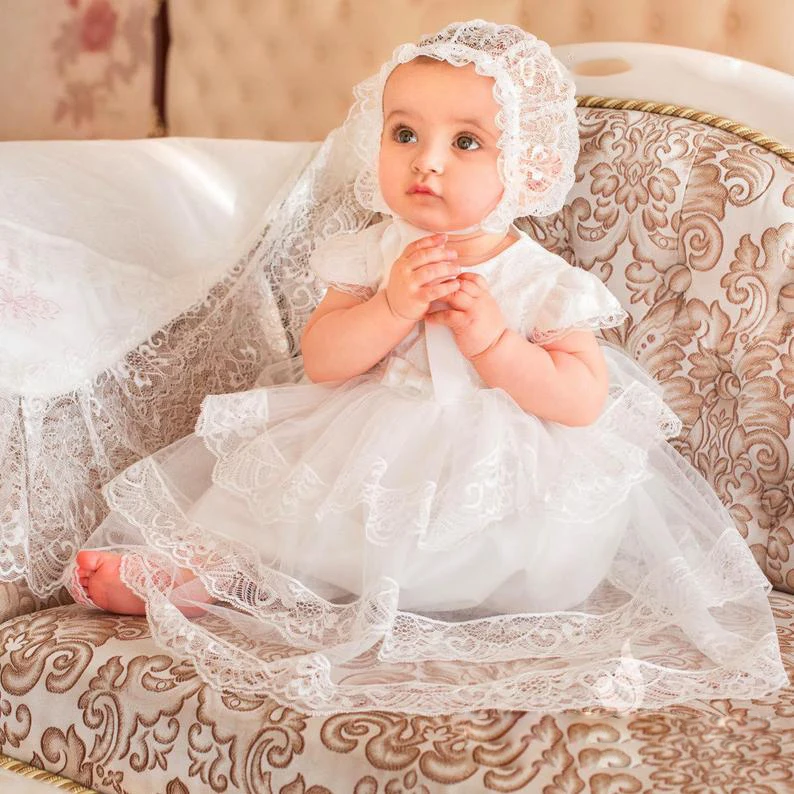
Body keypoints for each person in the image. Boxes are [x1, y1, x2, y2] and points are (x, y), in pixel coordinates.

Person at [68, 20, 787, 715]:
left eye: (466, 141)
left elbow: (581, 399)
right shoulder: (373, 254)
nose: (427, 160)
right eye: (404, 133)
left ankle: (389, 589)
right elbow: (323, 361)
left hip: (501, 468)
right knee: (261, 493)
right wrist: (390, 308)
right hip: (375, 433)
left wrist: (496, 346)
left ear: (529, 168)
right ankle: (206, 573)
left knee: (522, 553)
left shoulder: (540, 279)